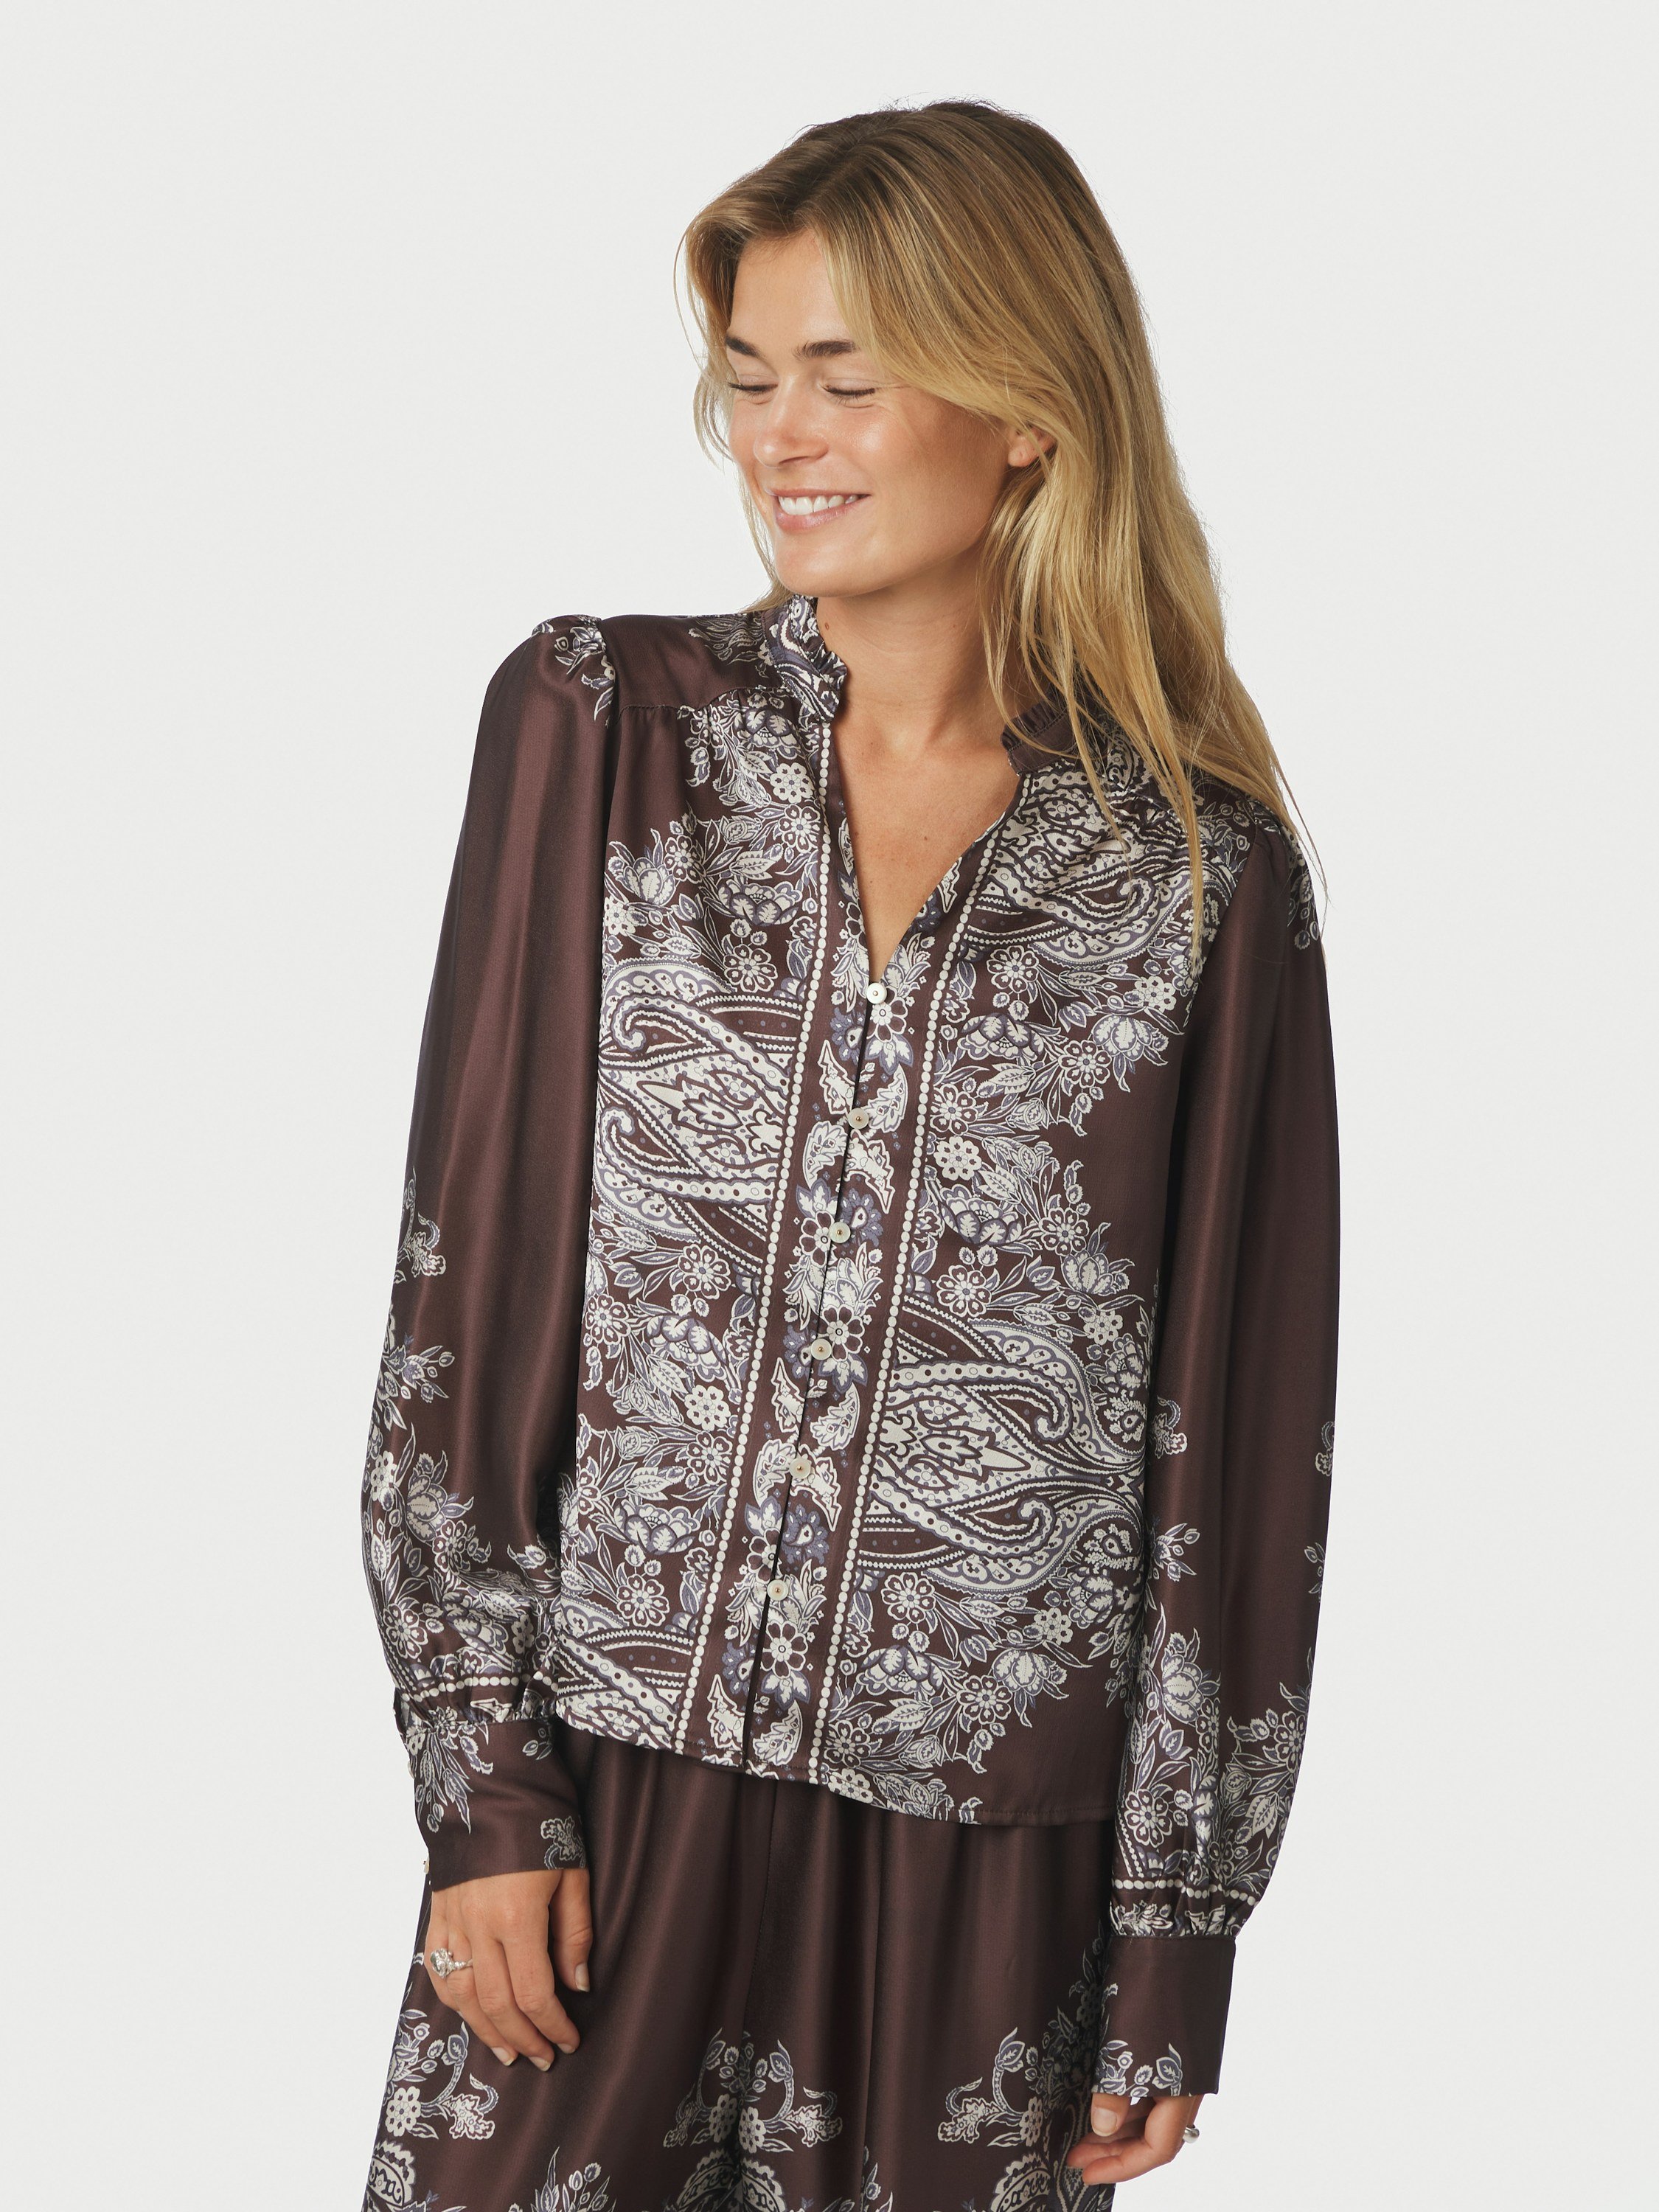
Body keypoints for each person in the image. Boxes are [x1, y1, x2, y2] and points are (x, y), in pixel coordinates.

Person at [359, 100, 1339, 2212]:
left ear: (1025, 414)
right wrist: (486, 1783)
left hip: (998, 1872)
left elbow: (1237, 1444)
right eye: (748, 380)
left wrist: (1176, 1929)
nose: (780, 438)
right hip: (612, 1796)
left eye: (845, 378)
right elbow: (471, 1289)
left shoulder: (1195, 878)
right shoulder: (603, 729)